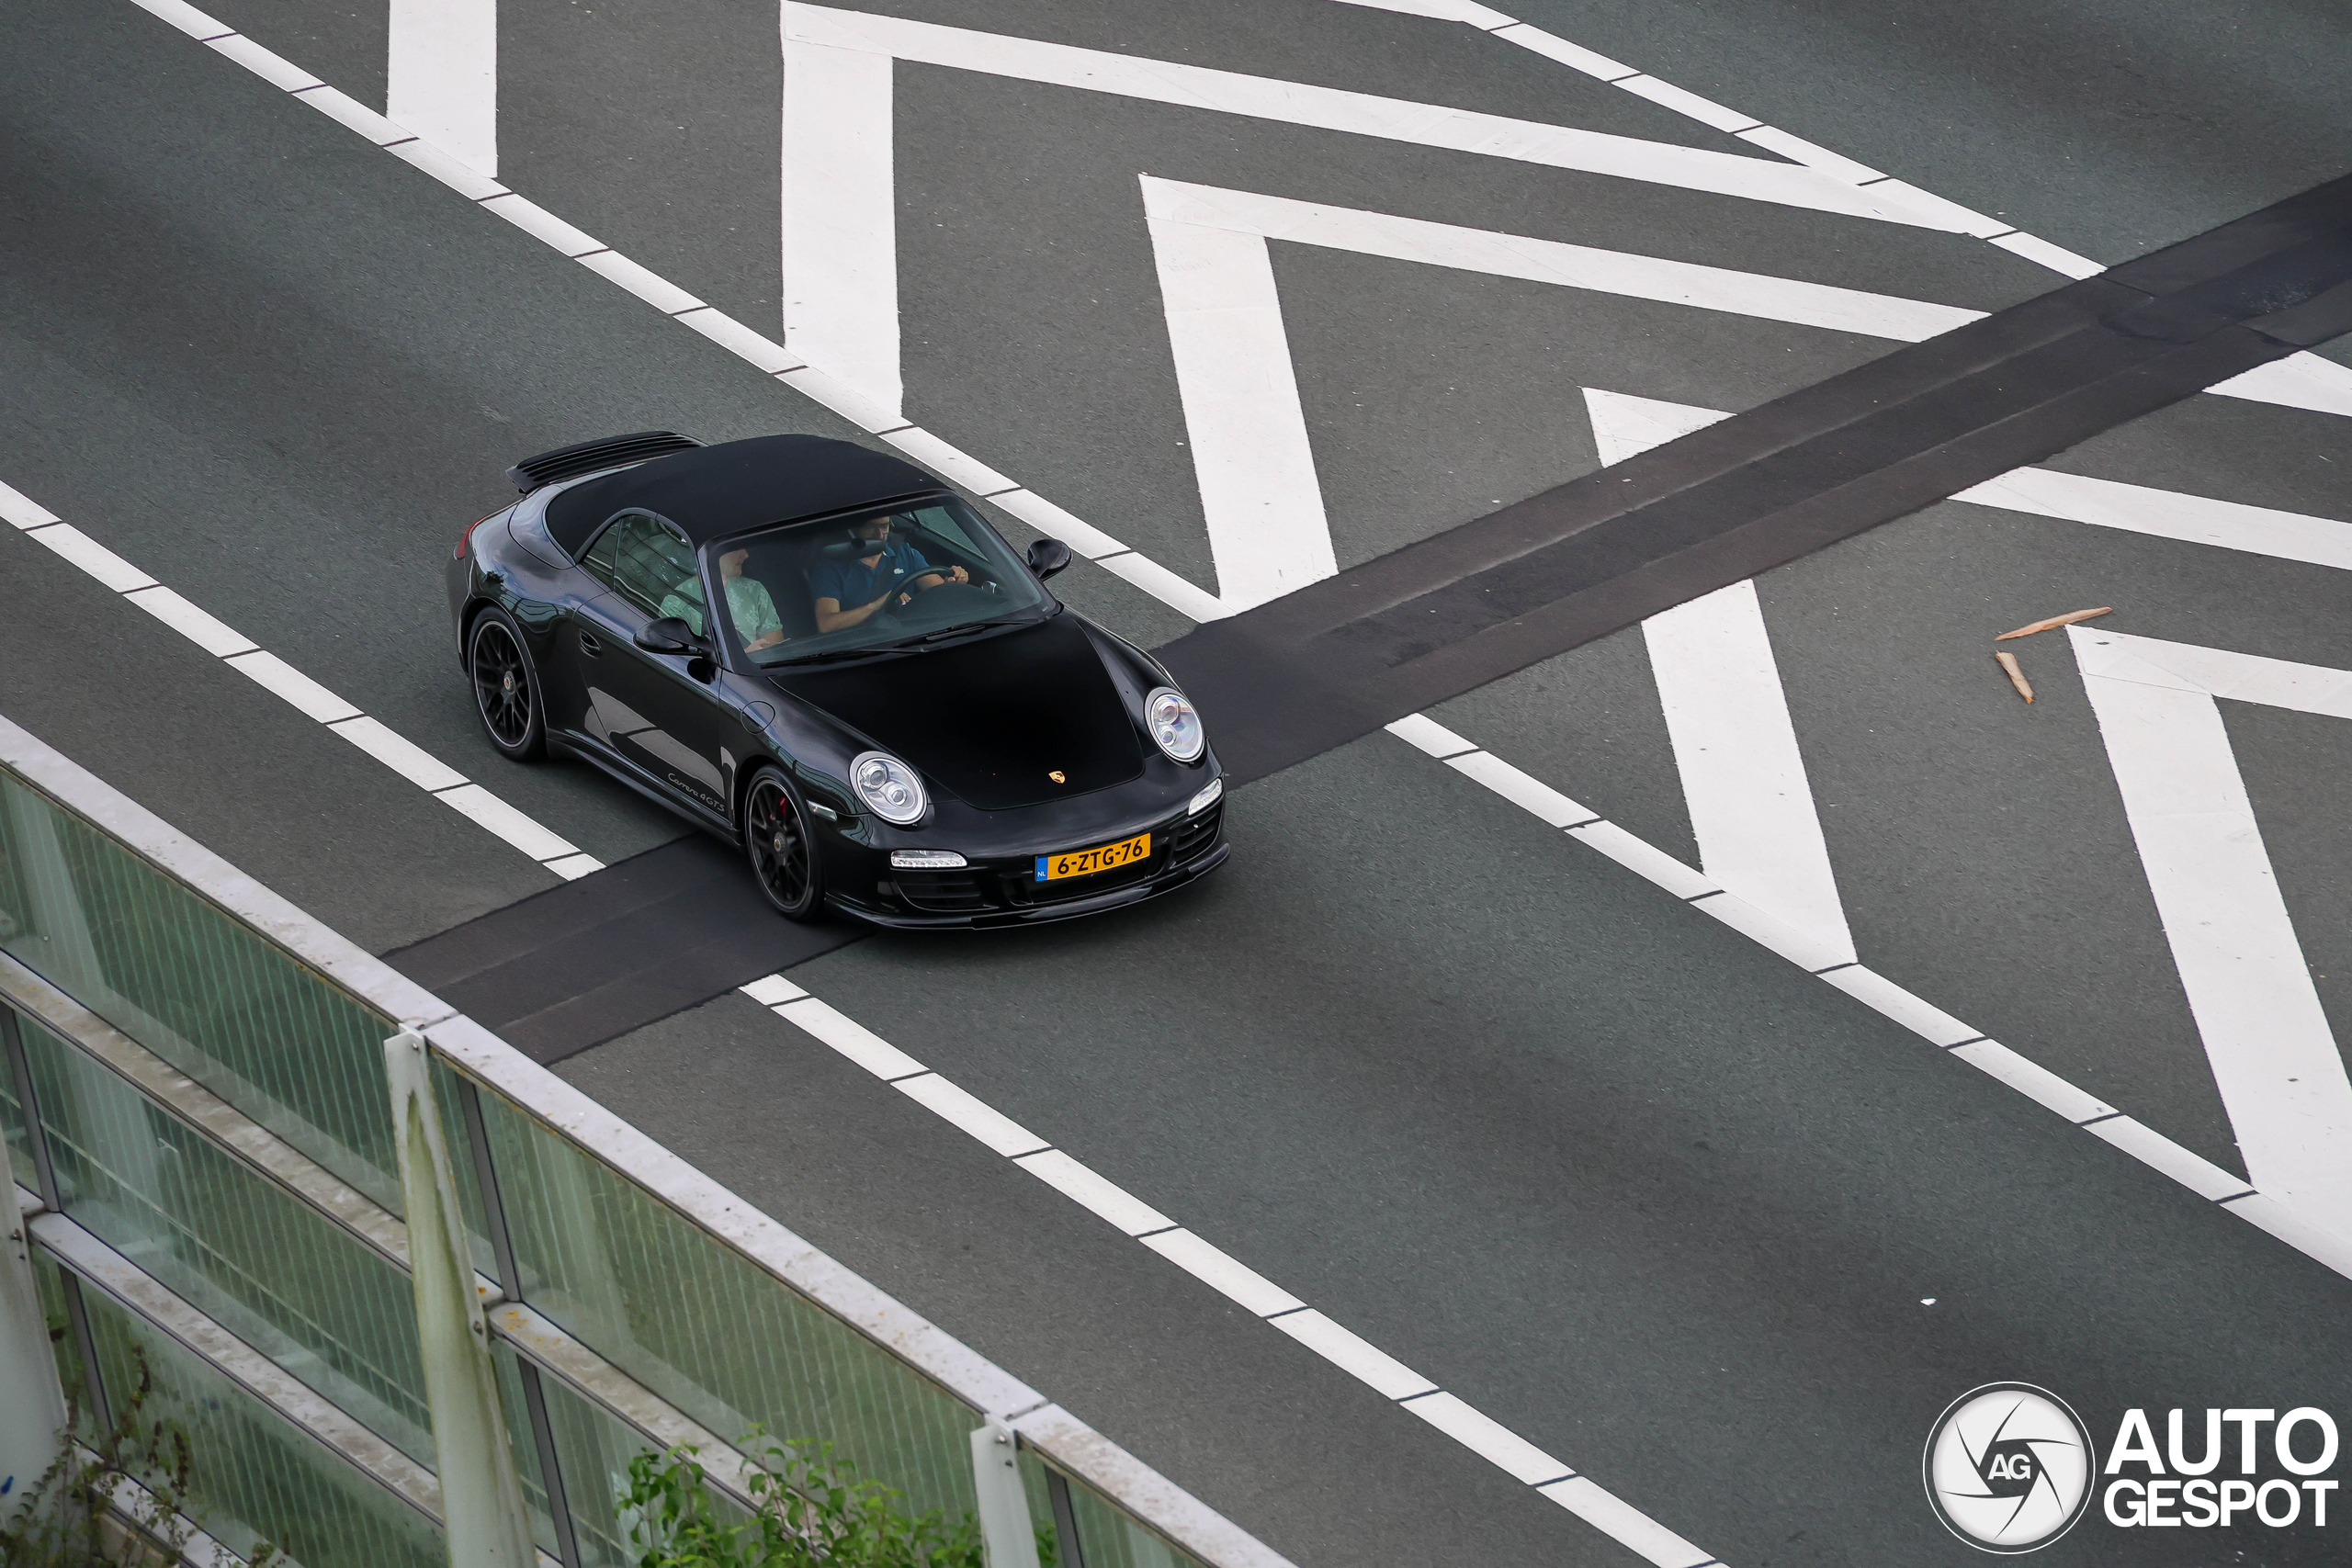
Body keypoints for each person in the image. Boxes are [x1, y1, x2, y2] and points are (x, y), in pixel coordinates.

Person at [808, 513, 967, 634]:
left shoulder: (905, 553)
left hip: (912, 636)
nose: (879, 535)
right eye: (870, 527)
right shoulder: (831, 569)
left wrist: (953, 582)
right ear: (854, 530)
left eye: (884, 526)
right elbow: (826, 624)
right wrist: (877, 605)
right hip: (864, 646)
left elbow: (938, 592)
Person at [655, 549, 787, 651]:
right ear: (714, 552)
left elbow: (774, 646)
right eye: (736, 547)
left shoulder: (755, 589)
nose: (746, 554)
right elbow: (677, 663)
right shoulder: (677, 603)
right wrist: (746, 656)